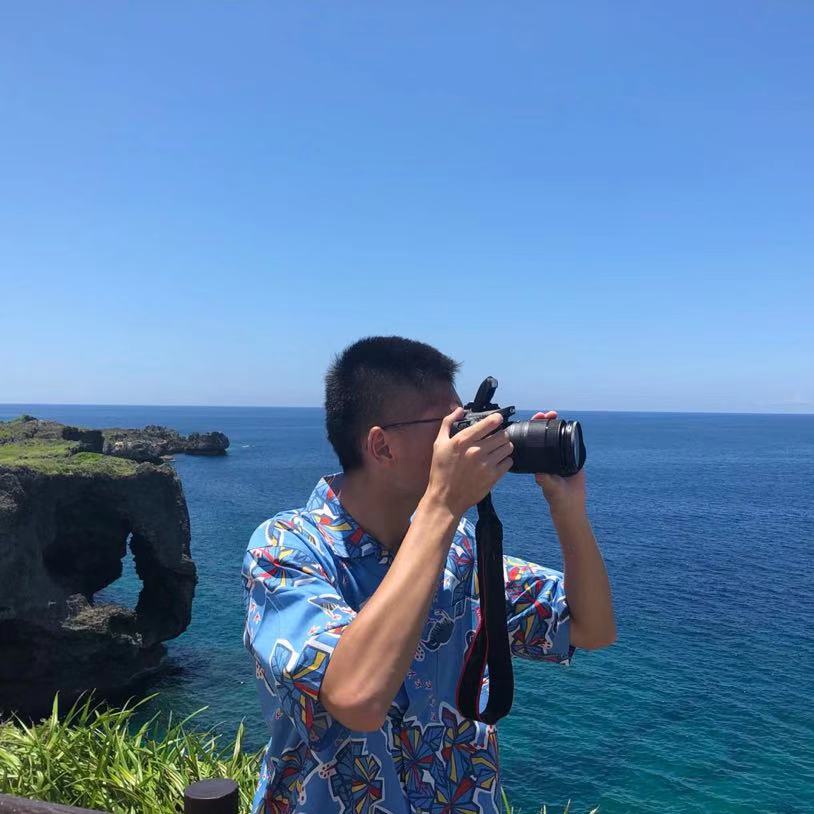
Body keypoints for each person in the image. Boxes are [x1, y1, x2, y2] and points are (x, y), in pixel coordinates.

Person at [241, 336, 616, 814]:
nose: (466, 439)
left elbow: (591, 627)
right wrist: (442, 506)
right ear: (382, 445)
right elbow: (357, 698)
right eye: (450, 427)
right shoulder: (284, 549)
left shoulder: (458, 547)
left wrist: (568, 510)